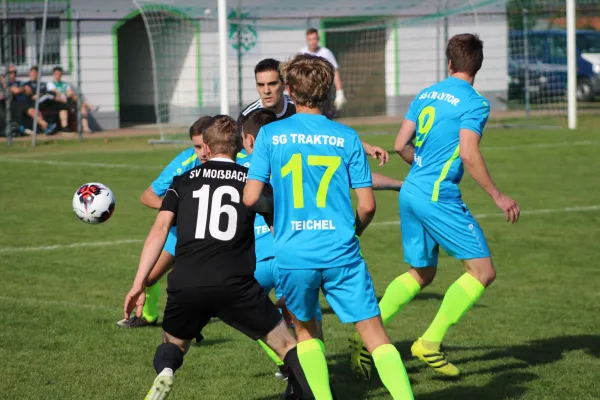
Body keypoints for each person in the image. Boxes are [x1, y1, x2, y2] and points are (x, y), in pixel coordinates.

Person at [244, 54, 413, 400]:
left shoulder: (270, 135)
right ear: (327, 93)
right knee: (376, 337)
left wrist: (280, 218)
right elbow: (366, 205)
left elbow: (250, 199)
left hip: (293, 254)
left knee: (307, 334)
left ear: (290, 90)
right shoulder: (347, 137)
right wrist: (353, 233)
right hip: (341, 251)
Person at [353, 33, 520, 379]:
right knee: (482, 272)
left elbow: (401, 144)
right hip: (436, 195)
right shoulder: (475, 103)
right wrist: (497, 195)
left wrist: (423, 168)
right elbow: (469, 153)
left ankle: (366, 336)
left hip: (411, 190)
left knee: (423, 273)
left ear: (449, 62)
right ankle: (428, 343)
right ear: (478, 65)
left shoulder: (426, 93)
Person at [123, 115, 315, 400]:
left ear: (207, 149)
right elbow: (280, 234)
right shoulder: (253, 184)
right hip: (235, 284)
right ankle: (318, 394)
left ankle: (166, 372)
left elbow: (160, 229)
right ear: (238, 147)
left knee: (173, 345)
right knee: (287, 346)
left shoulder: (183, 181)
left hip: (186, 281)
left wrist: (139, 283)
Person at [239, 108, 324, 383]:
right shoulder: (297, 160)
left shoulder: (242, 171)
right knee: (309, 319)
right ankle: (314, 375)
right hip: (294, 253)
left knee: (249, 313)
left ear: (249, 140)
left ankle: (286, 360)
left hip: (258, 260)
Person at [240, 58, 403, 191]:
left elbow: (327, 132)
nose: (266, 90)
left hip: (299, 183)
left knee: (339, 171)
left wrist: (366, 147)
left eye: (272, 84)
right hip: (267, 187)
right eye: (261, 85)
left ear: (285, 86)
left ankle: (401, 186)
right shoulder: (247, 118)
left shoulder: (300, 106)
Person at [116, 116, 212, 328]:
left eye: (207, 146)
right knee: (147, 278)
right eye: (197, 147)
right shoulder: (185, 162)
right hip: (182, 231)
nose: (203, 153)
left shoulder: (238, 159)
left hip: (220, 232)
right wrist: (177, 209)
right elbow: (148, 196)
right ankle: (147, 317)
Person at [299, 28, 346, 116]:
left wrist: (340, 92)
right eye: (310, 39)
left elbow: (335, 72)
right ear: (307, 40)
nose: (313, 42)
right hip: (307, 93)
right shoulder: (302, 53)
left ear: (318, 39)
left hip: (324, 93)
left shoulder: (326, 53)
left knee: (324, 117)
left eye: (315, 39)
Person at [47, 66, 94, 133]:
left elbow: (69, 92)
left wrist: (66, 95)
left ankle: (86, 128)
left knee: (82, 107)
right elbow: (55, 93)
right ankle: (88, 105)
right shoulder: (50, 84)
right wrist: (65, 94)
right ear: (53, 74)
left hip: (68, 100)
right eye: (56, 74)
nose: (58, 75)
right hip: (58, 102)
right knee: (66, 105)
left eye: (60, 74)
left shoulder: (65, 84)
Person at [22, 66, 57, 135]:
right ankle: (46, 126)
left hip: (44, 103)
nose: (34, 74)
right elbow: (28, 94)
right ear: (30, 73)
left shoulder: (43, 84)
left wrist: (40, 95)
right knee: (34, 108)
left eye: (36, 73)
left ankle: (47, 127)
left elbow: (50, 92)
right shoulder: (26, 84)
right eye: (32, 72)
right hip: (31, 104)